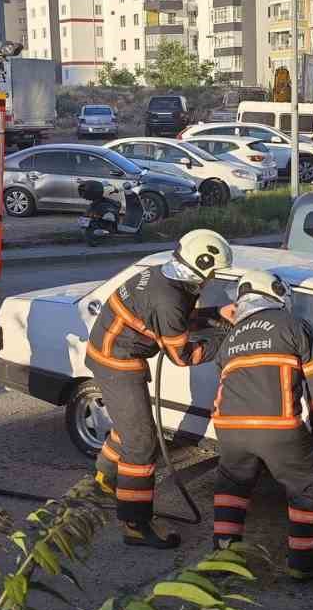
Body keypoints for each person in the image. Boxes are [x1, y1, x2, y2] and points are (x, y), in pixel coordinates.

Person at [86, 229, 232, 549]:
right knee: (141, 444)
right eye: (213, 274)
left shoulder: (165, 276)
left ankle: (104, 477)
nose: (213, 281)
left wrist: (217, 315)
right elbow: (181, 355)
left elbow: (177, 318)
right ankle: (135, 523)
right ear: (200, 266)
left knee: (129, 427)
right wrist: (226, 341)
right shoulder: (168, 298)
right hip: (118, 362)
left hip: (109, 351)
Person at [209, 267, 313, 580]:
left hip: (229, 426)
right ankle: (304, 561)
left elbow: (228, 381)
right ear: (277, 294)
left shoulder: (231, 337)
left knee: (232, 485)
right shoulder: (293, 325)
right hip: (278, 426)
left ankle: (223, 556)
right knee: (306, 484)